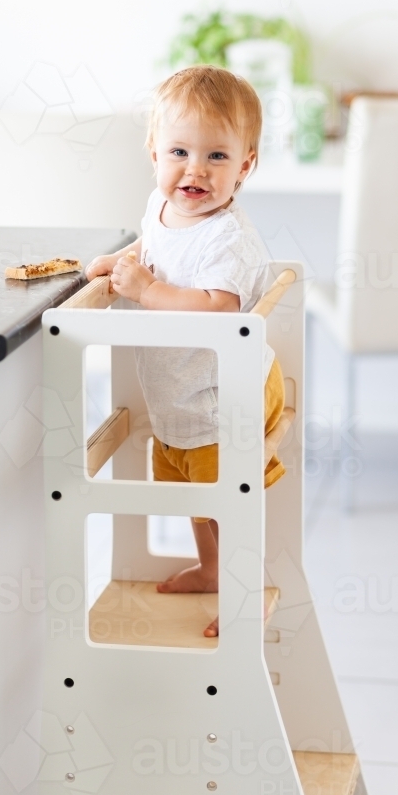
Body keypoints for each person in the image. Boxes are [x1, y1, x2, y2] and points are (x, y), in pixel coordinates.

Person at [85, 65, 285, 636]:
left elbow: (220, 308)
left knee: (226, 500)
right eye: (179, 151)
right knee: (193, 494)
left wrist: (148, 291)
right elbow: (155, 243)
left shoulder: (228, 238)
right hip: (182, 395)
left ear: (245, 165)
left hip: (228, 396)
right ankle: (214, 567)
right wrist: (122, 260)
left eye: (217, 157)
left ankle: (247, 589)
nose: (195, 169)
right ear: (153, 152)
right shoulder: (161, 205)